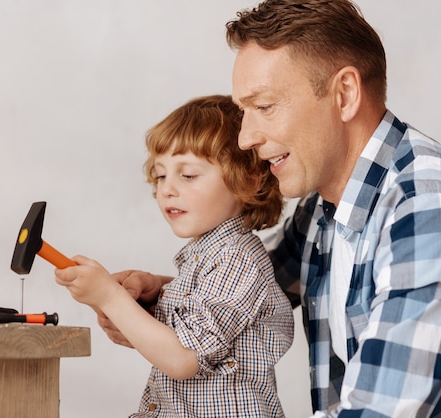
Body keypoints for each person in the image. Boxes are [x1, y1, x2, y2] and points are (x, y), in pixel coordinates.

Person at [97, 1, 441, 417]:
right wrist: (157, 295)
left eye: (265, 107)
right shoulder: (323, 210)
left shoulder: (429, 207)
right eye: (243, 112)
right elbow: (248, 289)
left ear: (344, 94)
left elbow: (377, 411)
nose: (245, 138)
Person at [55, 94, 294, 417]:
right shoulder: (209, 257)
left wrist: (111, 297)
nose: (167, 189)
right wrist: (158, 290)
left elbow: (183, 358)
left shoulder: (238, 260)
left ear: (250, 179)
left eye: (188, 175)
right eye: (161, 175)